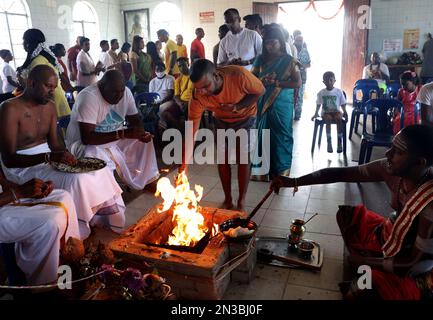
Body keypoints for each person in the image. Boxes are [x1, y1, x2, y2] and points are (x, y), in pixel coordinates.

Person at [271, 125, 433, 300]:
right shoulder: (390, 169)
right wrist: (294, 181)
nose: (388, 154)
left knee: (363, 289)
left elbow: (411, 263)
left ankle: (371, 265)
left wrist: (366, 262)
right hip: (391, 235)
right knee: (348, 216)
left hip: (414, 267)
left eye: (398, 152)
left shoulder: (429, 205)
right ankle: (370, 261)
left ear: (420, 163)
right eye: (391, 147)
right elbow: (340, 174)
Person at [0, 65, 125, 239]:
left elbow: (55, 144)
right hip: (22, 168)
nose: (52, 92)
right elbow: (9, 160)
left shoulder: (50, 107)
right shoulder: (9, 108)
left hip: (47, 160)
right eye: (48, 86)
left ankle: (101, 222)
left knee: (99, 170)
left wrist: (66, 156)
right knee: (76, 180)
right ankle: (75, 234)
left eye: (54, 88)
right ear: (31, 83)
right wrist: (49, 157)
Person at [185, 59, 265, 211]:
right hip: (221, 120)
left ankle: (241, 200)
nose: (202, 92)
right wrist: (184, 168)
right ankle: (228, 199)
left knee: (243, 158)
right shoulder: (198, 96)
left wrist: (237, 106)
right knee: (223, 159)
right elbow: (191, 133)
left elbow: (260, 90)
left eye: (205, 87)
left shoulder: (238, 75)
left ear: (216, 75)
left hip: (245, 117)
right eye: (198, 89)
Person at [66, 70, 159, 191]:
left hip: (114, 138)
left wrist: (140, 132)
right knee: (93, 152)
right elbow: (87, 138)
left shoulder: (125, 93)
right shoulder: (88, 97)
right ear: (102, 86)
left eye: (121, 91)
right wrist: (123, 133)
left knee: (144, 142)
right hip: (84, 145)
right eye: (114, 92)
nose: (119, 96)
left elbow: (135, 120)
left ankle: (146, 180)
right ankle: (105, 194)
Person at [0, 174, 81, 285]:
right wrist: (19, 192)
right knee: (48, 225)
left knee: (63, 195)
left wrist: (31, 190)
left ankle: (65, 259)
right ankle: (41, 286)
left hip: (4, 197)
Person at [250, 27, 301, 182]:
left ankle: (281, 172)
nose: (270, 46)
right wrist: (262, 81)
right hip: (263, 101)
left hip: (282, 103)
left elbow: (297, 82)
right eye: (267, 43)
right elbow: (252, 79)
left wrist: (277, 82)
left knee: (282, 135)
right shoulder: (260, 60)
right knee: (263, 133)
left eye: (273, 43)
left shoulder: (290, 61)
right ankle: (261, 171)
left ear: (281, 42)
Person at [17, 29, 70, 117]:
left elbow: (38, 88)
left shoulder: (38, 61)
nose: (23, 43)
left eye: (23, 40)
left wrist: (23, 82)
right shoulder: (42, 58)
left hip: (51, 101)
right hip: (53, 98)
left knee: (56, 129)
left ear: (28, 43)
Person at [312, 71, 348, 153]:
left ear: (334, 80)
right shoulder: (321, 93)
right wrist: (316, 113)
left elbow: (343, 103)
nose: (329, 82)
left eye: (331, 80)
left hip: (336, 111)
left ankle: (339, 141)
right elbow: (318, 104)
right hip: (326, 112)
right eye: (326, 80)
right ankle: (329, 142)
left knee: (339, 118)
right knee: (328, 119)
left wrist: (345, 112)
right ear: (323, 82)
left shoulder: (339, 91)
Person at [158, 57, 193, 131]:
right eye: (179, 66)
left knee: (188, 110)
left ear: (188, 63)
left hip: (192, 102)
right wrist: (180, 103)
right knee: (165, 113)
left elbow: (199, 93)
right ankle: (181, 129)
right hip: (180, 103)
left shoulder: (195, 76)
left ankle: (189, 132)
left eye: (183, 65)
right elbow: (176, 95)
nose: (181, 68)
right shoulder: (178, 80)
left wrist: (188, 102)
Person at [149, 62, 175, 128]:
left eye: (161, 69)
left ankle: (163, 125)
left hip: (168, 101)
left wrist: (160, 102)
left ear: (165, 69)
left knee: (161, 108)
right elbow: (151, 96)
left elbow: (170, 94)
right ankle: (154, 128)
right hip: (156, 101)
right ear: (155, 71)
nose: (159, 71)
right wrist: (154, 103)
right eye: (157, 69)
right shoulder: (152, 82)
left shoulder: (170, 78)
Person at [293, 35, 311, 121]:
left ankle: (297, 115)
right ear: (294, 40)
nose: (299, 42)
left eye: (301, 40)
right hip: (291, 77)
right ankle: (290, 114)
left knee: (300, 97)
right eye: (297, 40)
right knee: (292, 96)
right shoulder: (291, 48)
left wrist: (302, 66)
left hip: (302, 77)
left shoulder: (305, 51)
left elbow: (309, 64)